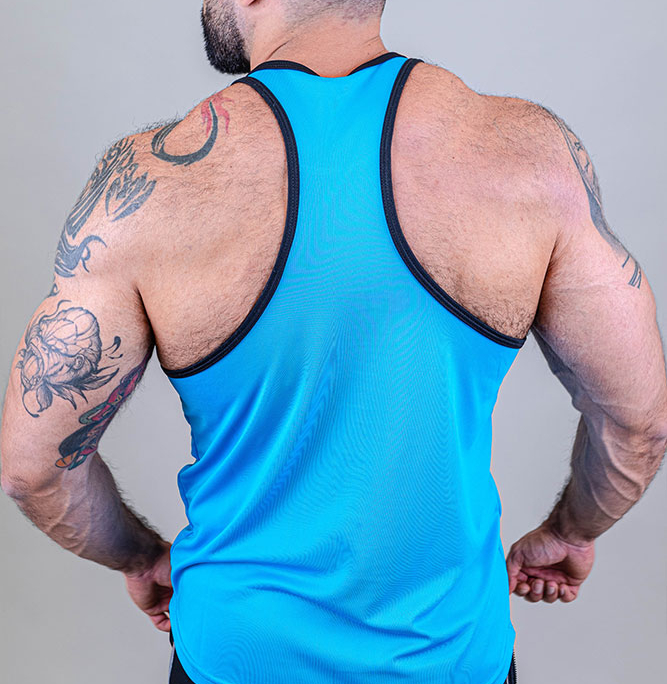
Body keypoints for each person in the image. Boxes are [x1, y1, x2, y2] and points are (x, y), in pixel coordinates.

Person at [1, 1, 666, 683]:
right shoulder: (529, 154)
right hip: (450, 658)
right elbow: (637, 422)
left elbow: (34, 468)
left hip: (238, 658)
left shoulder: (146, 186)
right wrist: (571, 530)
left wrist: (141, 558)